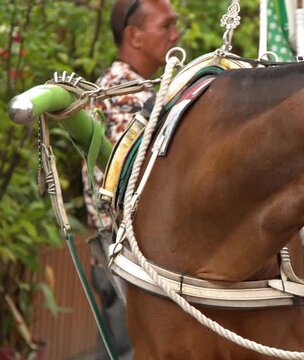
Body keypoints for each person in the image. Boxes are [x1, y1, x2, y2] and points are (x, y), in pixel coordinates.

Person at [81, 0, 180, 358]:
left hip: (130, 252)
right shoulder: (123, 94)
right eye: (165, 26)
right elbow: (146, 175)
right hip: (125, 254)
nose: (175, 34)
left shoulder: (143, 87)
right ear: (133, 36)